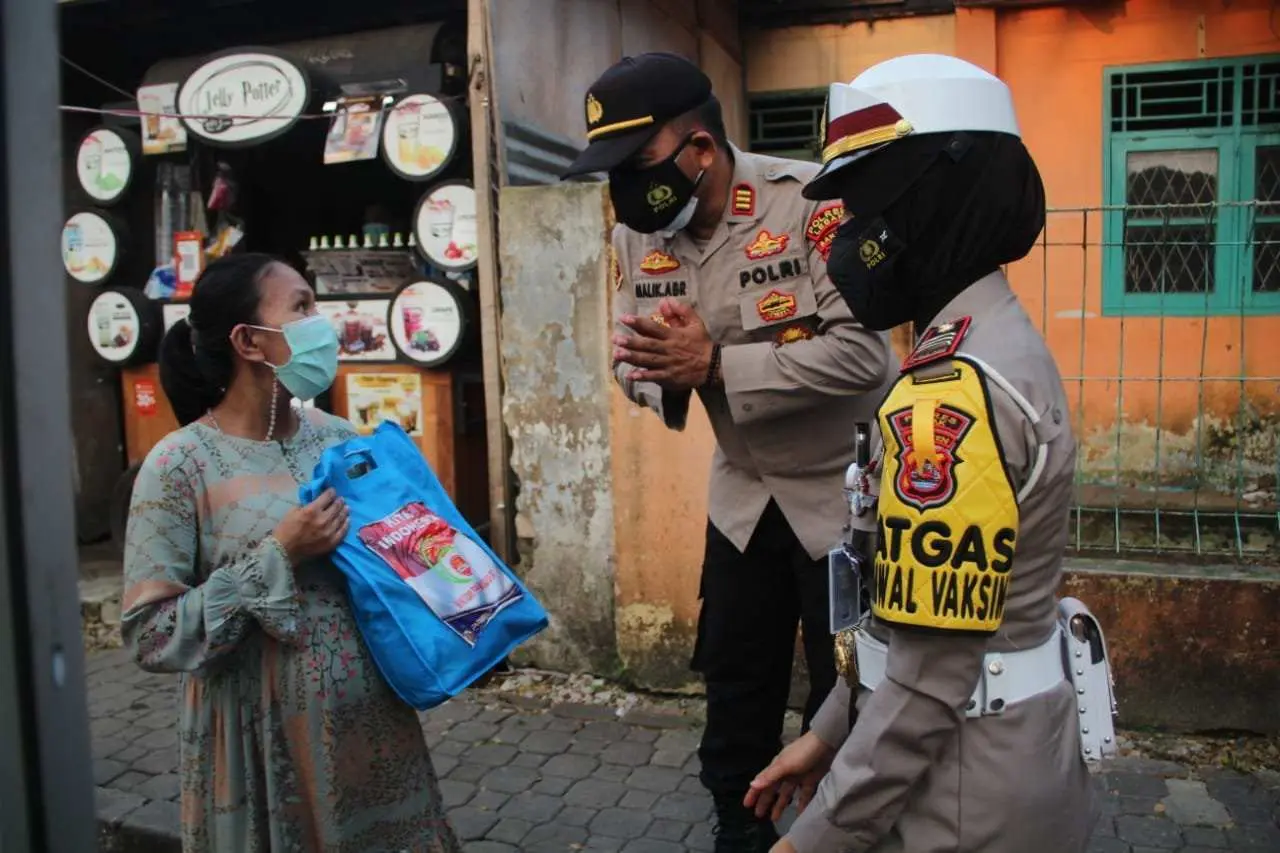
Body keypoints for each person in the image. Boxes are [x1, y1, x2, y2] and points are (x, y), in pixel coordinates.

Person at [744, 54, 1114, 853]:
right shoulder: (996, 345)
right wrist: (828, 729)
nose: (844, 237)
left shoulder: (950, 391)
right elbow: (925, 621)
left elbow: (928, 678)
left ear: (939, 196)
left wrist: (813, 837)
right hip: (1001, 759)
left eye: (863, 205)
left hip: (955, 792)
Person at [561, 53, 894, 851]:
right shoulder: (636, 237)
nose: (628, 189)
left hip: (839, 500)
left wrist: (716, 363)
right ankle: (738, 833)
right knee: (736, 692)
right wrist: (664, 373)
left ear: (700, 150)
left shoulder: (812, 202)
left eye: (638, 165)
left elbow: (867, 359)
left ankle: (841, 833)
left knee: (849, 690)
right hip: (743, 499)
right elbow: (627, 362)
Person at [121, 253, 461, 853]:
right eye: (301, 306)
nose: (321, 322)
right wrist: (279, 552)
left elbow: (408, 568)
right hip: (259, 741)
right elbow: (152, 635)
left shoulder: (337, 439)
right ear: (248, 340)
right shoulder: (179, 465)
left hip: (373, 730)